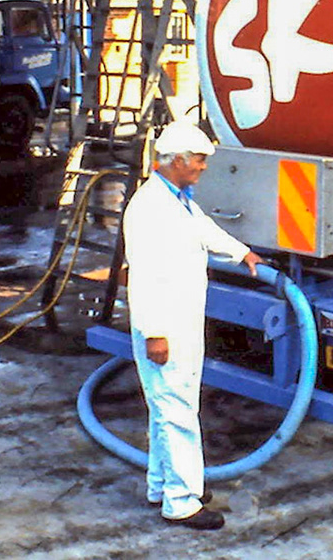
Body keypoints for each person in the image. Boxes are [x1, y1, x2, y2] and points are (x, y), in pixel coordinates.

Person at [122, 120, 260, 531]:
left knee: (168, 408)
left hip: (180, 319)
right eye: (198, 160)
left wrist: (243, 253)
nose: (203, 167)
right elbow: (142, 275)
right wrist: (154, 333)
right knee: (176, 409)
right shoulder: (149, 208)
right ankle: (181, 503)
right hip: (166, 325)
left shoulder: (177, 199)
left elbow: (202, 229)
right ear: (177, 160)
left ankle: (164, 485)